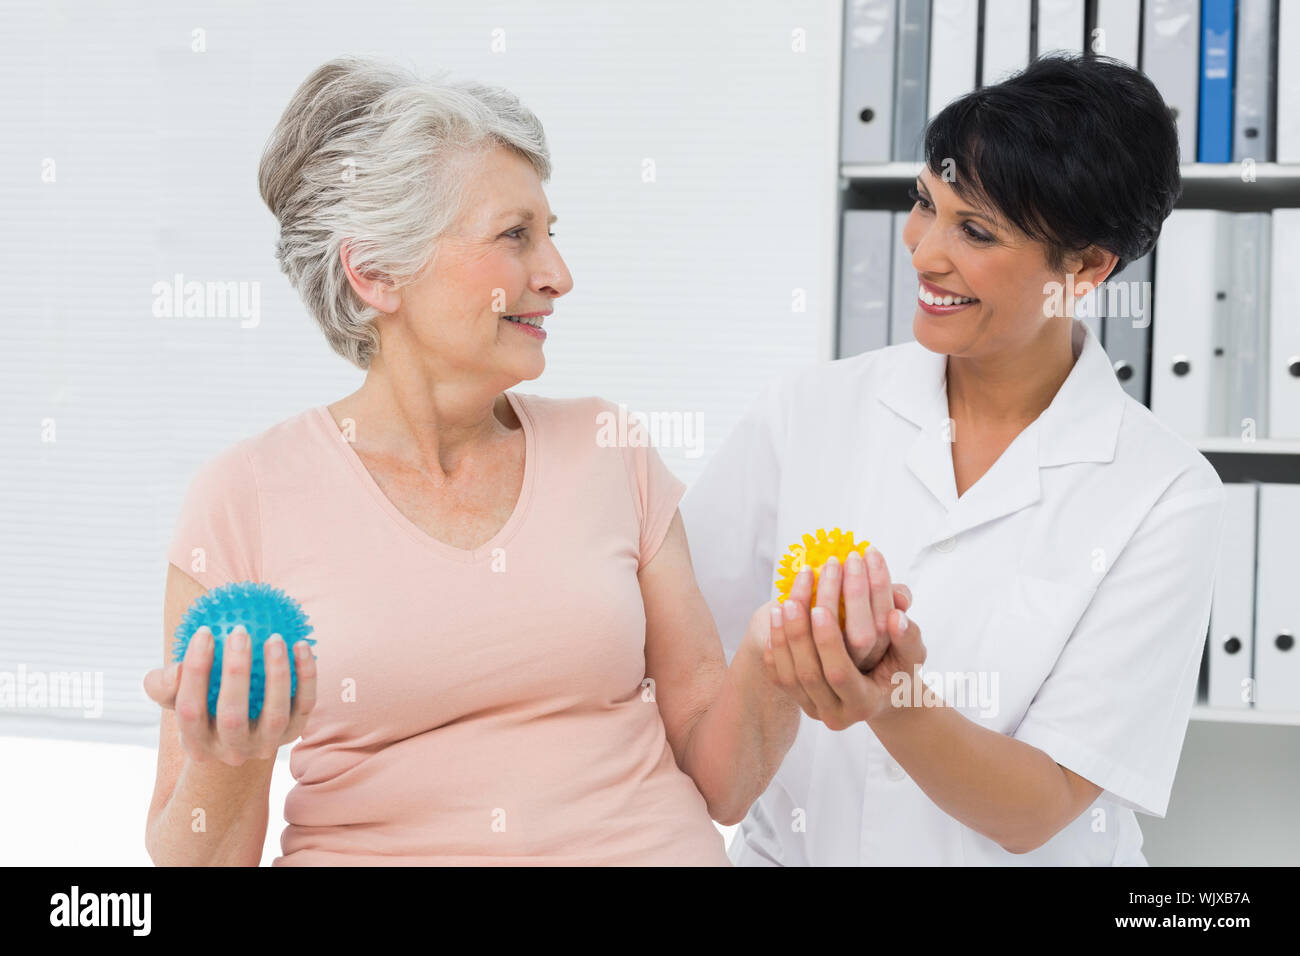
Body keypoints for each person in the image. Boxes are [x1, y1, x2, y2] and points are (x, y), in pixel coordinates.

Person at [141, 56, 840, 865]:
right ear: (373, 272)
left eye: (551, 236)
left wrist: (782, 657)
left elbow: (722, 781)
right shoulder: (246, 494)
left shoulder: (609, 448)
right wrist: (233, 754)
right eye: (515, 236)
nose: (559, 276)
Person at [680, 53, 1227, 865]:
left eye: (974, 231)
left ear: (1085, 268)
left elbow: (1037, 809)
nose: (924, 252)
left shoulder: (1165, 494)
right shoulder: (807, 413)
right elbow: (673, 655)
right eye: (923, 204)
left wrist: (890, 696)